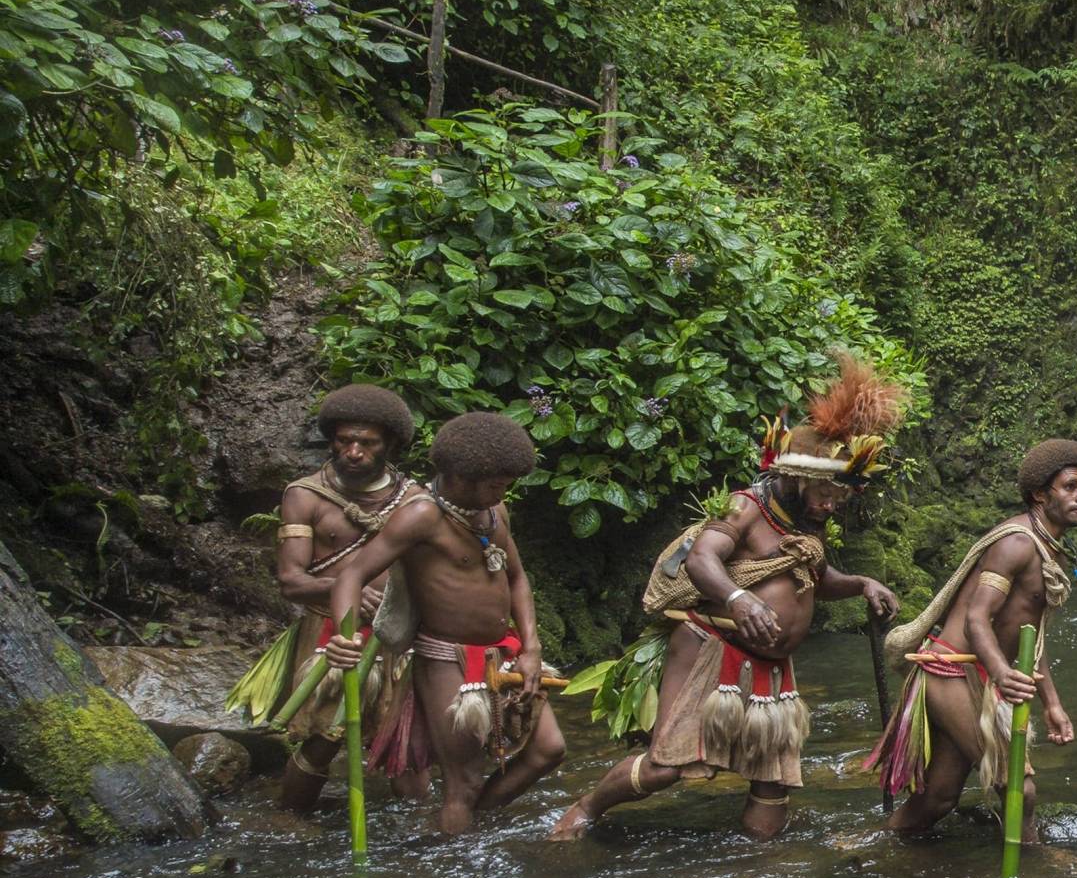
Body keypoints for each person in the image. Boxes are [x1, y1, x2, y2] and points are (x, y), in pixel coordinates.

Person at [550, 356, 905, 840]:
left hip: (772, 667)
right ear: (797, 477)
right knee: (666, 766)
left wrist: (862, 583)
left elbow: (819, 580)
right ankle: (586, 810)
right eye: (826, 492)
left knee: (773, 782)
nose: (832, 504)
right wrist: (739, 599)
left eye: (840, 497)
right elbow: (701, 559)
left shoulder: (805, 526)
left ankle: (759, 876)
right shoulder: (746, 507)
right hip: (712, 651)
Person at [320, 412, 565, 834]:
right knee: (463, 782)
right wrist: (344, 637)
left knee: (548, 750)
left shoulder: (493, 510)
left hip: (504, 651)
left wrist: (531, 647)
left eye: (506, 484)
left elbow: (517, 577)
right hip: (446, 660)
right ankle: (456, 873)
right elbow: (351, 575)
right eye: (495, 484)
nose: (502, 492)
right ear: (458, 476)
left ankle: (472, 824)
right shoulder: (421, 515)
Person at [868, 439, 1077, 838]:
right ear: (1040, 494)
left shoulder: (1051, 550)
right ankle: (1035, 868)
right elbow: (977, 618)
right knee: (1018, 788)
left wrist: (1052, 704)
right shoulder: (1017, 543)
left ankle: (877, 846)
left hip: (982, 675)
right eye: (1071, 486)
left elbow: (1032, 635)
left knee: (938, 798)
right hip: (950, 672)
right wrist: (1002, 673)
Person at [225, 384, 428, 813]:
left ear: (390, 444)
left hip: (396, 637)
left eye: (366, 443)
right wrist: (349, 590)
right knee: (323, 739)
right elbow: (291, 582)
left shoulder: (415, 500)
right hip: (331, 636)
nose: (353, 451)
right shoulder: (305, 496)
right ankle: (290, 819)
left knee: (402, 739)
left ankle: (422, 840)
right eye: (343, 441)